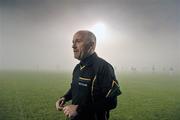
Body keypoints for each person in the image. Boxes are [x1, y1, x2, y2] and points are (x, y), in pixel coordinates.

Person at [56, 30, 121, 120]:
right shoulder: (77, 68)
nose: (73, 46)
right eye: (73, 42)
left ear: (92, 45)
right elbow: (75, 88)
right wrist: (64, 97)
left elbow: (112, 102)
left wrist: (79, 109)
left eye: (78, 41)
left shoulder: (104, 67)